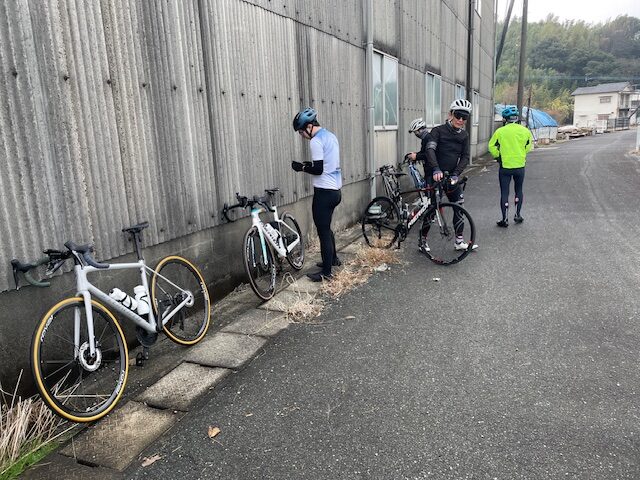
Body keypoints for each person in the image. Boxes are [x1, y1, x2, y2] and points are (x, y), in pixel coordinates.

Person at [408, 99, 477, 251]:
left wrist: (456, 174)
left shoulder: (464, 135)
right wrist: (436, 169)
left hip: (451, 177)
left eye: (464, 117)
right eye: (458, 115)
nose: (461, 120)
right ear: (450, 114)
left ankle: (459, 241)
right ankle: (423, 241)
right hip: (434, 176)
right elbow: (430, 150)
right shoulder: (437, 131)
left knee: (459, 206)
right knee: (432, 209)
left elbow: (465, 157)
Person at [291, 107, 342, 282]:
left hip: (324, 193)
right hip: (335, 191)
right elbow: (327, 163)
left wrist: (301, 167)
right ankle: (333, 259)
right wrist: (308, 165)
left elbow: (319, 169)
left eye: (300, 132)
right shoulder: (330, 136)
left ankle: (326, 273)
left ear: (309, 126)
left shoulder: (316, 141)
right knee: (327, 228)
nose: (301, 136)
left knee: (323, 231)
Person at [488, 106, 534, 227]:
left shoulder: (500, 131)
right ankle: (517, 215)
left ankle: (505, 219)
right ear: (517, 118)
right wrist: (522, 153)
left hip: (505, 166)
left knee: (505, 192)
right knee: (519, 190)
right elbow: (529, 146)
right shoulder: (525, 131)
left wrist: (498, 156)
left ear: (505, 119)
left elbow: (491, 146)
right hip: (520, 166)